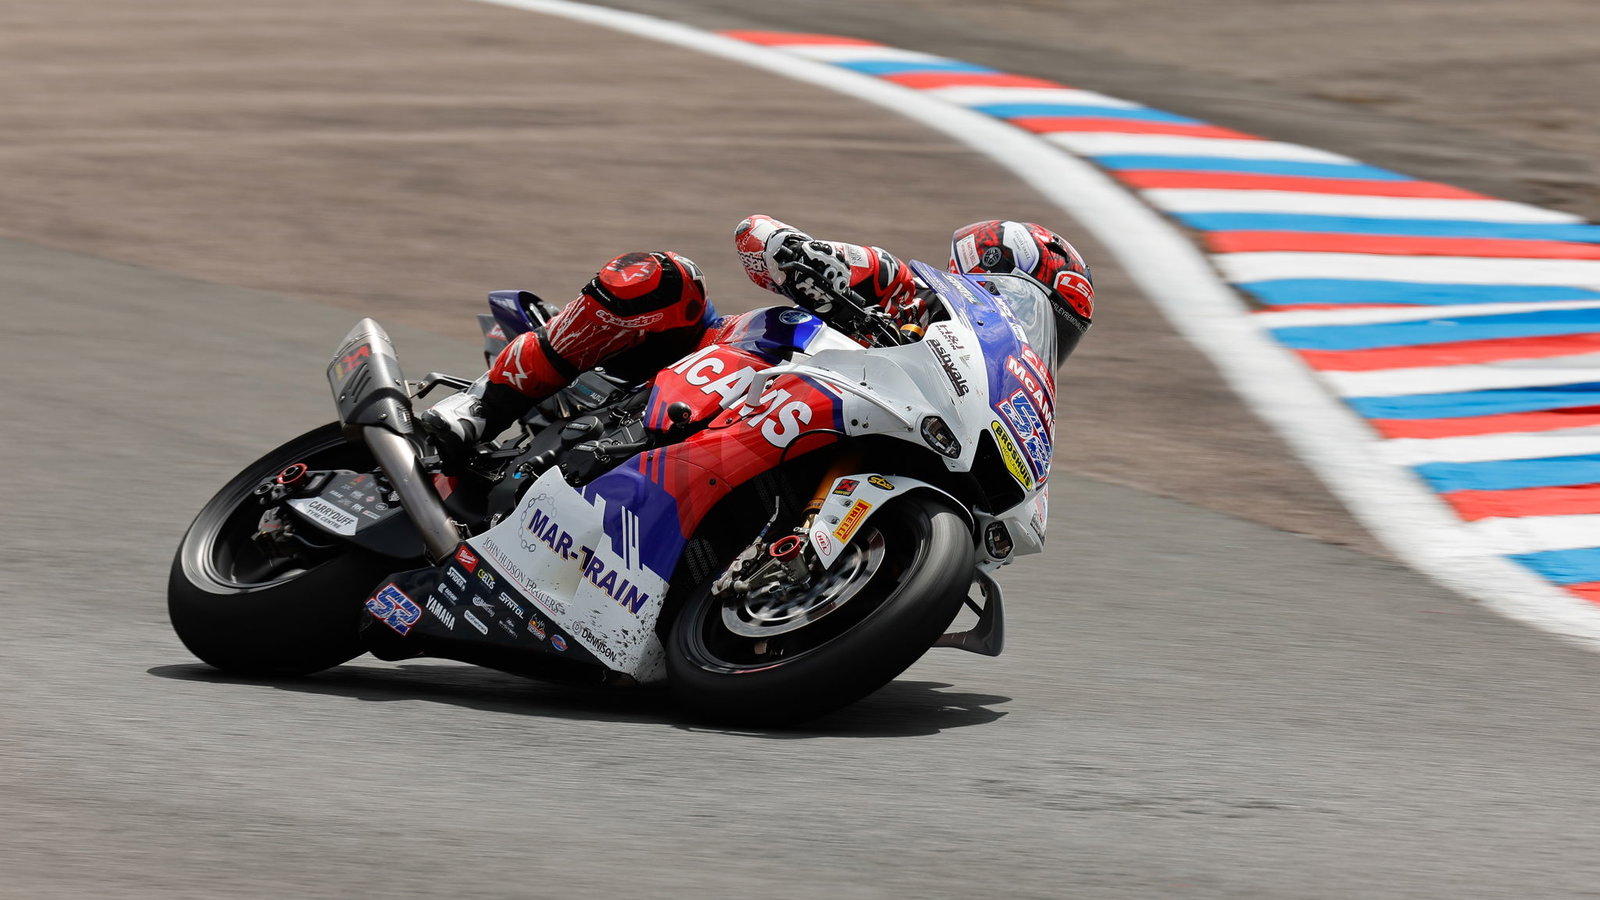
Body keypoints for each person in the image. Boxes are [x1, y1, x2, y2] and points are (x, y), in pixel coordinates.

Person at [420, 215, 1093, 451]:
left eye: (1050, 332)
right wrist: (797, 252)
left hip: (799, 427)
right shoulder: (921, 303)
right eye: (1022, 304)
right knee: (660, 279)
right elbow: (767, 242)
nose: (1028, 331)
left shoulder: (1001, 387)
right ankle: (480, 409)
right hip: (712, 363)